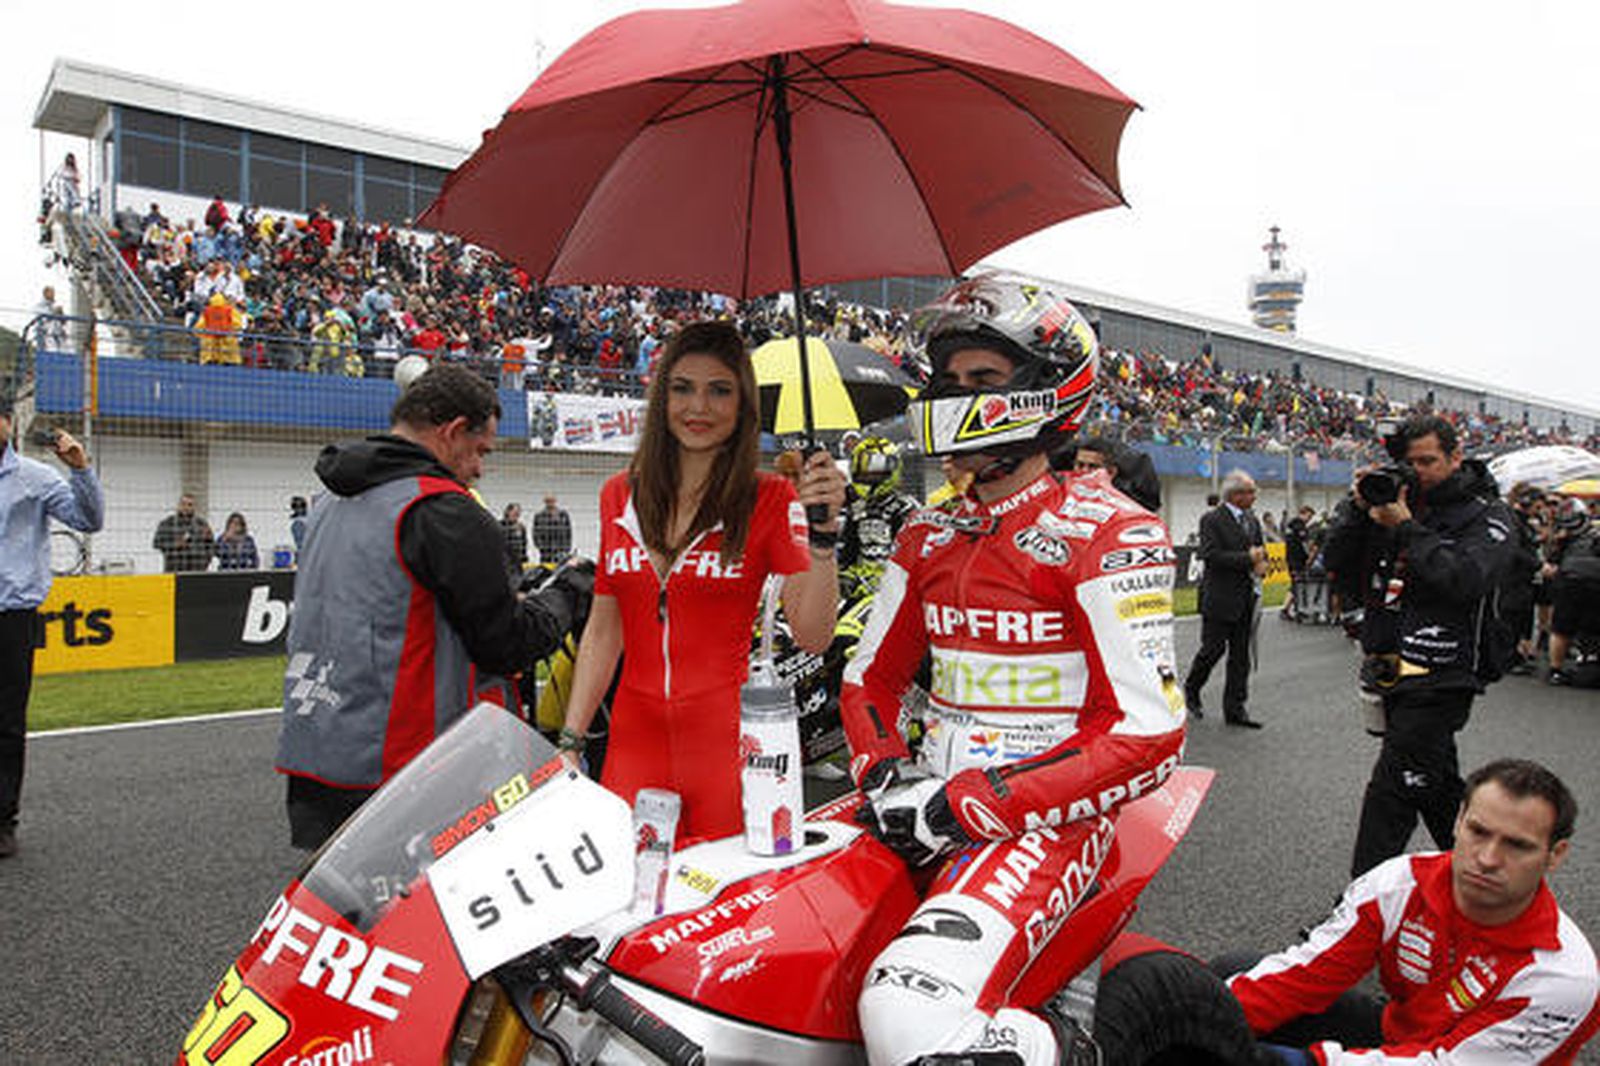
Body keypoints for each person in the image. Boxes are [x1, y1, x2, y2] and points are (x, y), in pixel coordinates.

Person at [840, 275, 1187, 1066]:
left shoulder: (1112, 532)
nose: (956, 395)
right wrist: (884, 770)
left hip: (1048, 818)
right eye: (948, 379)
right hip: (920, 798)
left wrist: (970, 803)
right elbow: (869, 682)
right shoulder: (926, 532)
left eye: (983, 379)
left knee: (905, 1012)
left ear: (1047, 388)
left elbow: (1149, 733)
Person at [274, 365, 591, 849]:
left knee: (341, 897)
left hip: (317, 751)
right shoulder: (443, 509)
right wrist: (569, 589)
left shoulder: (327, 502)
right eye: (481, 450)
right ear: (453, 431)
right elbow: (507, 644)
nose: (479, 469)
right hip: (411, 773)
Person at [559, 320, 845, 844]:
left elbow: (814, 635)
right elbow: (604, 629)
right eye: (683, 388)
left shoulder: (772, 499)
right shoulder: (617, 495)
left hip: (727, 750)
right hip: (632, 746)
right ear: (662, 398)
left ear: (743, 405)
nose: (699, 407)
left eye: (719, 390)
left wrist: (824, 539)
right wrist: (571, 741)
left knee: (727, 893)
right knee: (627, 888)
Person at [1222, 759, 1600, 1064]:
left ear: (1555, 855)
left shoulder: (1563, 977)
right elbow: (1306, 974)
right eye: (1479, 832)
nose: (1487, 858)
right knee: (1224, 986)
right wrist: (1200, 1019)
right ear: (1458, 821)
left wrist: (1305, 1062)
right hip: (1403, 1033)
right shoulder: (1398, 884)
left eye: (1517, 846)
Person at [1323, 415, 1513, 879]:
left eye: (1428, 461)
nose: (1418, 472)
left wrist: (1407, 527)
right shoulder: (1392, 501)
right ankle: (1492, 880)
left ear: (1455, 457)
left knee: (1391, 793)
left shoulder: (1486, 514)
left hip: (1443, 674)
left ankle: (1355, 906)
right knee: (1436, 785)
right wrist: (1357, 510)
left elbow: (1464, 579)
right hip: (1388, 667)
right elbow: (1335, 563)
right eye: (1410, 463)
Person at [0, 402, 103, 858]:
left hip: (12, 615)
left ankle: (3, 820)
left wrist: (80, 470)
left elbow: (89, 520)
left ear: (9, 423)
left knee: (7, 722)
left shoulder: (36, 477)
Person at [1184, 470, 1268, 728]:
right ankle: (1191, 688)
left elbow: (1259, 551)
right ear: (1235, 495)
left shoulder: (1252, 520)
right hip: (1219, 597)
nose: (1254, 496)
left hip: (1245, 597)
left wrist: (1261, 564)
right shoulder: (1212, 519)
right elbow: (1210, 555)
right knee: (1212, 650)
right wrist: (1247, 559)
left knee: (1240, 656)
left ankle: (1235, 709)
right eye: (1250, 492)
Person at [837, 436, 919, 595]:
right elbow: (848, 553)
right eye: (863, 472)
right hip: (861, 587)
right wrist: (845, 577)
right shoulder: (856, 508)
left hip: (897, 589)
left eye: (874, 472)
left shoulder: (906, 509)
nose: (868, 477)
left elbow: (912, 561)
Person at [1547, 505, 1600, 687]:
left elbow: (1551, 565)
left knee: (1561, 629)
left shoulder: (1564, 540)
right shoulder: (1593, 535)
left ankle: (1555, 670)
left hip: (1569, 580)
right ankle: (1589, 661)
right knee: (1592, 628)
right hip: (1595, 581)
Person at [153, 494, 215, 572]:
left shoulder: (202, 524)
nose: (186, 507)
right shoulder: (168, 523)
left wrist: (204, 563)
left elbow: (211, 547)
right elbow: (157, 543)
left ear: (194, 507)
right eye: (183, 504)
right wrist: (175, 544)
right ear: (178, 505)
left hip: (196, 571)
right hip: (174, 570)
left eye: (190, 505)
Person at [531, 493, 573, 564]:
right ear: (545, 502)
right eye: (548, 501)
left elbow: (568, 531)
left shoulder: (563, 515)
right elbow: (535, 532)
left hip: (561, 548)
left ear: (555, 501)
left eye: (552, 501)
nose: (550, 503)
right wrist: (541, 546)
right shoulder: (539, 516)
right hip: (546, 549)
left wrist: (567, 547)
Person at [501, 502, 529, 577]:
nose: (517, 514)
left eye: (518, 512)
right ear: (508, 512)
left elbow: (524, 543)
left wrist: (525, 558)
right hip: (506, 559)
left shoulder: (521, 527)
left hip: (518, 558)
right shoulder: (500, 525)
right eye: (515, 512)